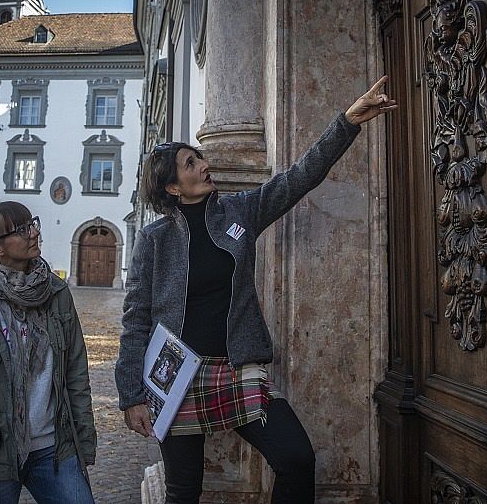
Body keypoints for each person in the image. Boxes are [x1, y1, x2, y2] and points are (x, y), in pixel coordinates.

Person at [116, 76, 398, 503]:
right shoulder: (154, 240)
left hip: (238, 367)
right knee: (182, 492)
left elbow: (298, 178)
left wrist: (348, 121)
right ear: (172, 187)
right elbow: (136, 319)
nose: (204, 165)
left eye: (200, 157)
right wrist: (131, 396)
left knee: (297, 459)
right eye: (191, 164)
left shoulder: (240, 211)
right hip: (177, 377)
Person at [0, 202, 96, 504]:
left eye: (32, 223)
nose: (34, 233)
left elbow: (76, 372)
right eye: (22, 229)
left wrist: (84, 438)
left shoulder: (56, 293)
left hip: (54, 447)